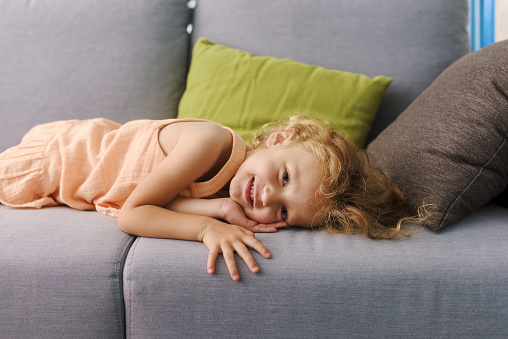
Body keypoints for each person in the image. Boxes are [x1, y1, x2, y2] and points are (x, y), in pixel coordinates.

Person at [0, 115, 425, 281]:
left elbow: (161, 204)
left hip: (69, 177)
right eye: (283, 175)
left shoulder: (231, 192)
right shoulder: (208, 142)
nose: (267, 198)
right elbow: (133, 214)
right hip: (58, 158)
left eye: (282, 212)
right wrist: (207, 227)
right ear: (280, 138)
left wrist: (221, 208)